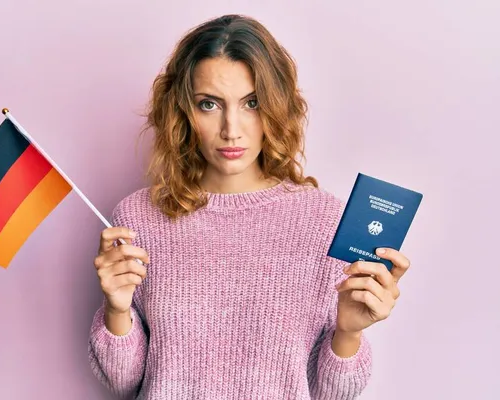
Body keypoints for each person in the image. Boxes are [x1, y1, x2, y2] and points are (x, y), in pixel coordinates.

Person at [88, 14, 410, 400]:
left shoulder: (326, 221)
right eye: (209, 104)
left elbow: (332, 394)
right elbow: (123, 382)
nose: (231, 128)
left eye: (251, 103)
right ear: (182, 112)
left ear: (277, 106)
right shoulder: (137, 219)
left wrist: (349, 331)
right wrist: (117, 310)